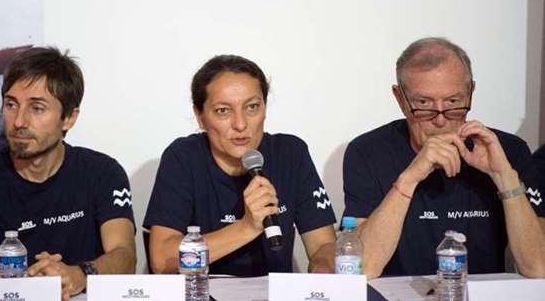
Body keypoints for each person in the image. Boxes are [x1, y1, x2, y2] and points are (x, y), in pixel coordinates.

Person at [0, 47, 136, 300]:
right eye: (11, 104)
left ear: (69, 118)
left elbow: (124, 255)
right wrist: (16, 280)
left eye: (37, 108)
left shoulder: (103, 173)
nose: (19, 121)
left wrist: (78, 275)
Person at [343, 37, 545, 278]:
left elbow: (539, 267)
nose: (440, 119)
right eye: (424, 103)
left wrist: (505, 178)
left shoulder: (507, 151)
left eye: (453, 101)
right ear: (400, 99)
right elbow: (362, 269)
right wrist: (409, 178)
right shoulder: (367, 152)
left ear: (471, 91)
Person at [143, 55, 337, 276]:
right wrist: (247, 227)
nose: (241, 124)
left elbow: (323, 245)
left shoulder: (290, 154)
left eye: (252, 107)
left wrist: (324, 268)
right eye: (223, 111)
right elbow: (162, 260)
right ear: (200, 116)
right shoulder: (183, 158)